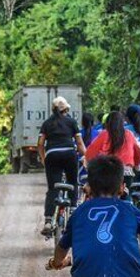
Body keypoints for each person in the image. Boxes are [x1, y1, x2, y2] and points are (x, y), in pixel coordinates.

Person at [38, 96, 86, 236]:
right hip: (69, 154)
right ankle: (72, 210)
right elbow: (80, 143)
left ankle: (48, 220)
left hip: (52, 155)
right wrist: (87, 157)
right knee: (73, 182)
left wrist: (43, 158)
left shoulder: (47, 123)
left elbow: (40, 143)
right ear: (66, 109)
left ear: (53, 110)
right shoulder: (71, 122)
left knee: (53, 187)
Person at [85, 111, 140, 190]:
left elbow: (90, 152)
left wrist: (90, 164)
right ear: (123, 123)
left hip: (107, 173)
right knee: (126, 195)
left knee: (105, 195)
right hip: (126, 173)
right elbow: (138, 152)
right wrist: (136, 164)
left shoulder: (104, 134)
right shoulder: (129, 134)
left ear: (107, 123)